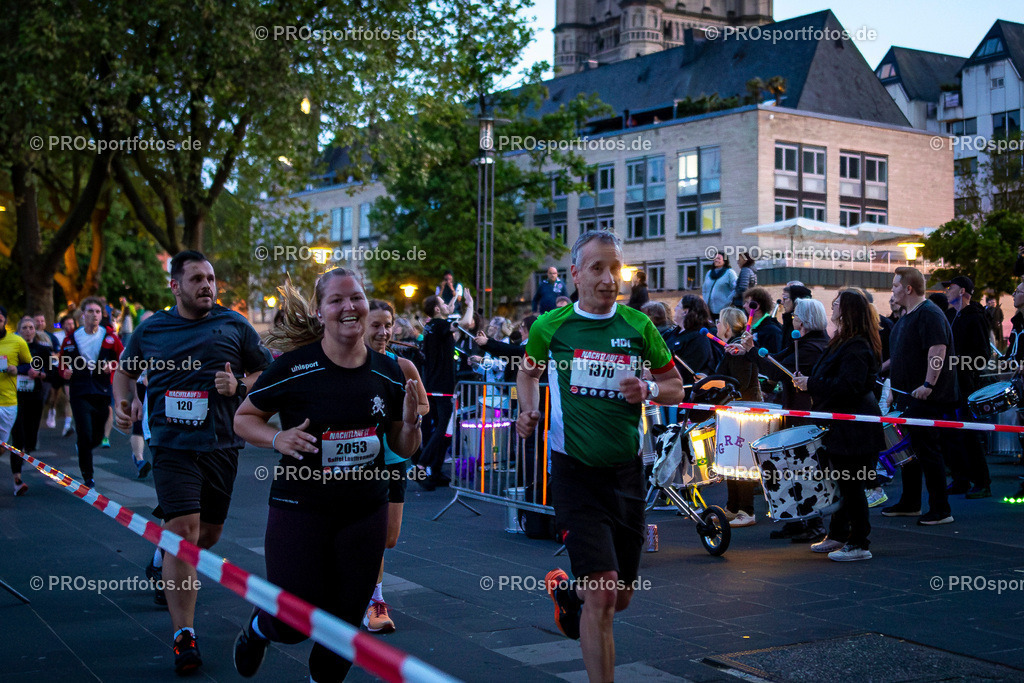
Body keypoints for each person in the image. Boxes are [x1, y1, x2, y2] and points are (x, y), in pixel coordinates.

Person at [232, 269, 421, 681]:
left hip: (364, 511)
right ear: (320, 313)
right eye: (336, 300)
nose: (349, 307)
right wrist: (277, 438)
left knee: (341, 629)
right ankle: (260, 628)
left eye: (356, 298)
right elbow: (244, 418)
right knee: (293, 621)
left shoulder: (390, 373)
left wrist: (410, 425)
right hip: (301, 508)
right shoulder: (295, 368)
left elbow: (402, 448)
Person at [516, 230, 683, 683]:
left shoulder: (639, 325)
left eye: (616, 268)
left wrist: (648, 388)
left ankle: (569, 599)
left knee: (619, 597)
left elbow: (675, 386)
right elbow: (527, 374)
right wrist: (527, 409)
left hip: (627, 475)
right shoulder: (549, 326)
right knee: (606, 593)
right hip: (575, 473)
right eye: (597, 268)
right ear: (575, 274)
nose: (610, 279)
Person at [114, 251, 271, 675]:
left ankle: (165, 561)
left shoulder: (235, 325)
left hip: (221, 444)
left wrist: (238, 383)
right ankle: (185, 635)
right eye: (197, 279)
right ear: (175, 286)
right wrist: (122, 402)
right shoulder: (152, 329)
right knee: (183, 530)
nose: (207, 285)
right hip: (171, 444)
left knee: (209, 534)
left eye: (211, 278)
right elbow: (124, 372)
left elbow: (267, 375)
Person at [793, 289, 884, 561]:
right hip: (844, 427)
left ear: (847, 311)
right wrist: (811, 381)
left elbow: (850, 386)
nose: (831, 308)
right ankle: (838, 535)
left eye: (836, 305)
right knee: (842, 484)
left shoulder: (856, 345)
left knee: (852, 486)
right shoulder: (844, 340)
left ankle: (859, 543)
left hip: (854, 429)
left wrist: (812, 383)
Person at [360, 299, 429, 634]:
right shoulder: (349, 364)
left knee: (387, 538)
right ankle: (374, 599)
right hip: (355, 462)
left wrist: (408, 410)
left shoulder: (402, 366)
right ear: (360, 325)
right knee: (365, 533)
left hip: (394, 459)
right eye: (376, 325)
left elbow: (425, 406)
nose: (384, 331)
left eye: (388, 324)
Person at [740, 298, 830, 541]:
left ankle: (814, 524)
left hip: (804, 414)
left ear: (806, 319)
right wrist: (749, 351)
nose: (793, 317)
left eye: (797, 314)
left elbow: (777, 369)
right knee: (791, 468)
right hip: (795, 410)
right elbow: (776, 360)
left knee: (803, 469)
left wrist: (750, 351)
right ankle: (797, 519)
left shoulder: (813, 346)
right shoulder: (804, 341)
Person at [881, 266, 957, 526]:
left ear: (908, 288)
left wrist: (928, 384)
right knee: (908, 452)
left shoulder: (929, 314)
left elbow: (937, 351)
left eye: (895, 286)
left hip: (926, 397)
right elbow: (902, 357)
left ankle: (941, 509)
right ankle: (910, 502)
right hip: (906, 396)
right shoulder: (906, 317)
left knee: (928, 451)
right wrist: (893, 389)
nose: (892, 290)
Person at [58, 296, 123, 488]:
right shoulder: (72, 338)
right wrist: (65, 372)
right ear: (82, 314)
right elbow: (61, 363)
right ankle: (88, 475)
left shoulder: (109, 336)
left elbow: (122, 359)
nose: (94, 315)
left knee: (96, 435)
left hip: (102, 390)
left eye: (97, 311)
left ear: (101, 314)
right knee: (84, 433)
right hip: (79, 390)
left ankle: (84, 448)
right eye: (90, 311)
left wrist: (111, 365)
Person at [417, 288, 474, 489]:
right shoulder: (440, 324)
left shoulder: (431, 327)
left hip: (432, 384)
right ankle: (422, 465)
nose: (447, 304)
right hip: (442, 386)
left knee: (447, 430)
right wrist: (470, 304)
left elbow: (451, 341)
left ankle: (436, 471)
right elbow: (466, 323)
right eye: (443, 302)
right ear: (436, 308)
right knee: (443, 428)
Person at [943, 276, 992, 498]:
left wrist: (955, 362)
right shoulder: (955, 316)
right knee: (953, 434)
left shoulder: (974, 317)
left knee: (969, 434)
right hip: (954, 384)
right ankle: (961, 478)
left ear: (962, 290)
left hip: (966, 385)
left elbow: (983, 355)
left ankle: (982, 481)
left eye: (950, 287)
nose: (946, 291)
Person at [716, 307, 761, 528]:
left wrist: (715, 382)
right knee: (732, 460)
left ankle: (746, 510)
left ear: (726, 325)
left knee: (741, 462)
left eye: (718, 321)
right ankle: (733, 507)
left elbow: (739, 383)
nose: (716, 325)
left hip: (744, 409)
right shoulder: (733, 346)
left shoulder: (738, 348)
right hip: (735, 409)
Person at [11, 317, 54, 487]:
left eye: (31, 327)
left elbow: (52, 373)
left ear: (35, 330)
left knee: (31, 436)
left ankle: (27, 448)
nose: (28, 330)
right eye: (25, 327)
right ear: (18, 330)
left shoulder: (42, 349)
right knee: (17, 437)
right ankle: (17, 477)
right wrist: (20, 371)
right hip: (15, 396)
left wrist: (40, 374)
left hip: (35, 397)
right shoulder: (12, 347)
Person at [0, 307, 34, 496]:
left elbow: (30, 364)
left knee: (4, 446)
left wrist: (17, 369)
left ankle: (17, 480)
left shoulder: (17, 341)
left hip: (8, 402)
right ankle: (17, 480)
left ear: (5, 321)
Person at [664, 295, 713, 386]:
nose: (674, 309)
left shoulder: (698, 337)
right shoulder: (672, 333)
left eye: (678, 306)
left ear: (685, 312)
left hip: (682, 386)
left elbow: (688, 369)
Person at [743, 286, 783, 354]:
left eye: (747, 302)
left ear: (756, 306)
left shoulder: (772, 331)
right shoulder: (753, 328)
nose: (744, 306)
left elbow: (773, 357)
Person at [702, 252, 736, 319]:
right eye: (715, 258)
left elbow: (735, 289)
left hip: (724, 310)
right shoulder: (709, 273)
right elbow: (704, 289)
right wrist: (705, 303)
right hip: (709, 310)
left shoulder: (730, 273)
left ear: (725, 260)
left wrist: (728, 302)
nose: (716, 260)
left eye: (719, 258)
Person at [780, 284, 812, 352]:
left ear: (796, 300)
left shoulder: (803, 327)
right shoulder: (788, 322)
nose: (782, 302)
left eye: (785, 299)